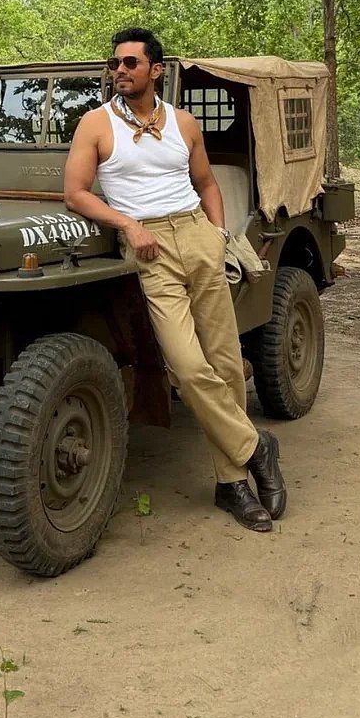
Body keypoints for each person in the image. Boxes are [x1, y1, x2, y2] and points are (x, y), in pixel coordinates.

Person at [63, 27, 286, 532]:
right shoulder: (96, 125)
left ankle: (231, 484)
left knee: (226, 362)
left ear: (155, 71)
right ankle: (256, 445)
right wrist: (129, 225)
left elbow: (206, 181)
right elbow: (75, 193)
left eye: (130, 64)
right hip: (149, 247)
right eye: (115, 64)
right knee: (186, 368)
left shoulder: (184, 124)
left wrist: (218, 233)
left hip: (197, 235)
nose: (119, 71)